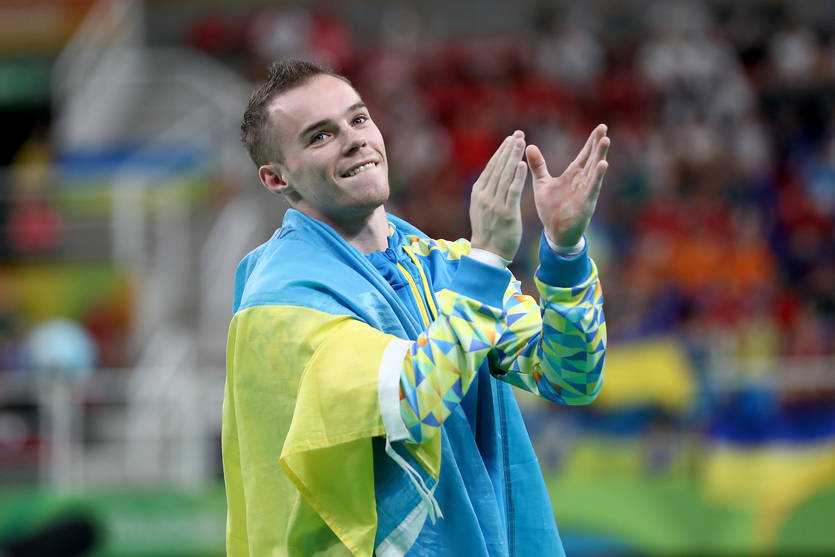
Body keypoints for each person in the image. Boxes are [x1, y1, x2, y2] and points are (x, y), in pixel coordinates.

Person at [223, 59, 609, 557]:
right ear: (277, 179)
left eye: (358, 119)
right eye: (320, 136)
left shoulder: (443, 265)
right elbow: (410, 401)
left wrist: (565, 252)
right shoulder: (282, 301)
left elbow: (570, 378)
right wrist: (488, 258)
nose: (354, 140)